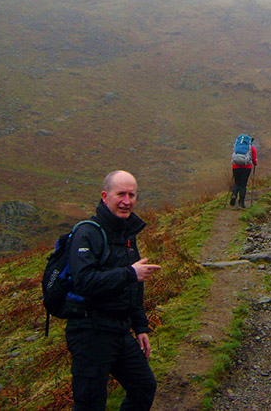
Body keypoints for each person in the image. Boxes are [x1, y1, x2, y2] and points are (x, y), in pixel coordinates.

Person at [65, 170, 161, 411]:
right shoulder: (88, 233)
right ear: (105, 196)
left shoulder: (126, 234)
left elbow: (132, 287)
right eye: (121, 194)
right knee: (90, 404)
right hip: (90, 332)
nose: (127, 201)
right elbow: (84, 281)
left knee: (144, 387)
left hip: (120, 330)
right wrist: (130, 273)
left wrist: (140, 327)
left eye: (132, 195)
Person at [230, 135, 257, 208]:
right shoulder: (251, 148)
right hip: (246, 168)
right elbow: (254, 160)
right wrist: (255, 163)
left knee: (237, 183)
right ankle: (241, 202)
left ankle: (234, 195)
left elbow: (232, 158)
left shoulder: (237, 148)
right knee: (243, 184)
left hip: (236, 167)